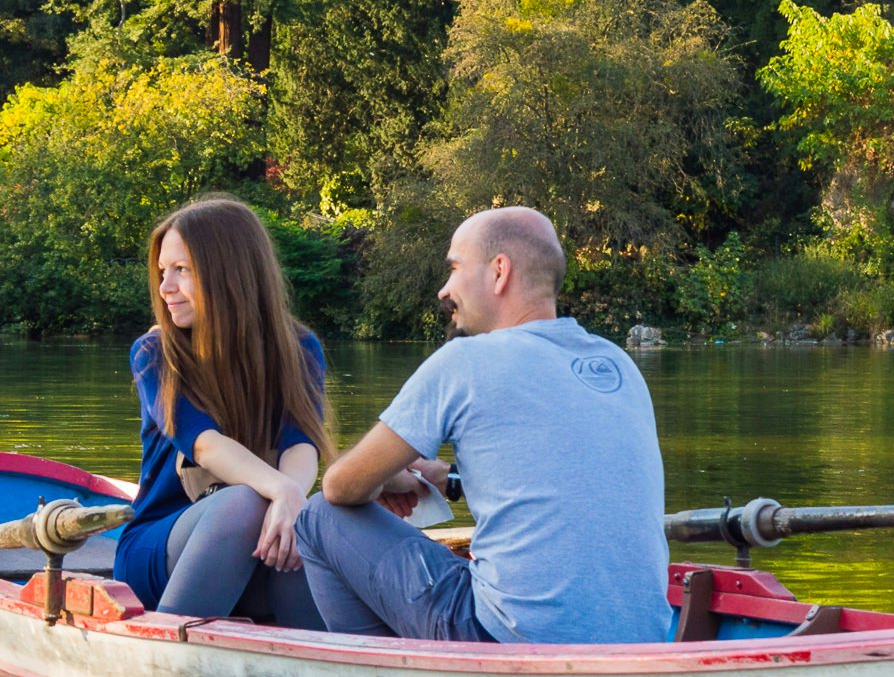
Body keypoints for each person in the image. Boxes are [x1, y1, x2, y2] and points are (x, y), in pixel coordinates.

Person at [296, 206, 668, 644]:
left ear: (498, 272)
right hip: (641, 636)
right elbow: (560, 479)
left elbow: (341, 486)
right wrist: (447, 478)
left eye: (454, 268)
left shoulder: (465, 362)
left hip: (504, 637)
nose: (443, 290)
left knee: (319, 515)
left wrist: (385, 479)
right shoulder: (616, 362)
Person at [114, 196, 333, 628]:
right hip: (160, 546)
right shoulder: (156, 353)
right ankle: (167, 666)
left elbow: (301, 443)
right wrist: (283, 492)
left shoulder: (299, 349)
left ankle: (324, 674)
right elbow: (206, 446)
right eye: (163, 273)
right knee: (245, 504)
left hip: (255, 543)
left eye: (182, 270)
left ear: (229, 273)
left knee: (312, 523)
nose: (165, 288)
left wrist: (290, 503)